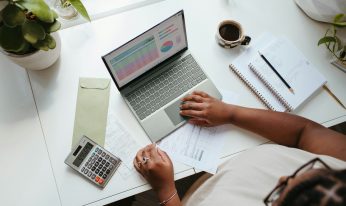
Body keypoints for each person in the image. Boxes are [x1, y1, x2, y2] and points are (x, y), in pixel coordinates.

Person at [133, 91, 346, 206]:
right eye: (310, 168)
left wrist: (166, 191)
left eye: (278, 194)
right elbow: (305, 132)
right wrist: (230, 113)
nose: (282, 178)